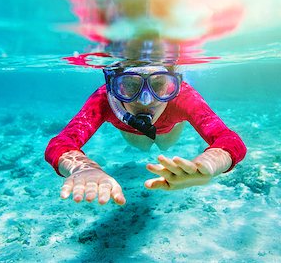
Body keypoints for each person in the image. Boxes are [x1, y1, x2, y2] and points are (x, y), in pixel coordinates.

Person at [44, 51, 247, 206]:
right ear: (113, 85)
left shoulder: (183, 96)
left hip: (169, 127)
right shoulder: (104, 100)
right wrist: (83, 168)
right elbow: (61, 143)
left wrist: (211, 163)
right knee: (142, 146)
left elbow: (229, 140)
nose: (145, 99)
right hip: (129, 127)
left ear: (172, 84)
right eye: (131, 85)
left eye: (159, 84)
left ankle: (176, 121)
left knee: (166, 145)